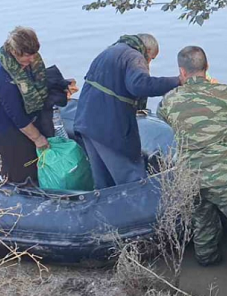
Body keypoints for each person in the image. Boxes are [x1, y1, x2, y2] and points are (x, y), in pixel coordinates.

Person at [158, 46, 227, 288]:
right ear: (207, 68)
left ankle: (207, 260)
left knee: (202, 217)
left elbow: (164, 118)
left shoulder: (170, 99)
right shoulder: (225, 93)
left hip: (188, 174)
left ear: (181, 71)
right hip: (222, 176)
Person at [75, 34, 181, 189]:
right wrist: (177, 81)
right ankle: (144, 211)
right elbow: (139, 85)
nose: (148, 64)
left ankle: (106, 212)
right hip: (109, 129)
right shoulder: (134, 56)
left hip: (86, 123)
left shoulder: (109, 52)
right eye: (150, 59)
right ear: (147, 50)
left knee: (103, 182)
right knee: (133, 179)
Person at [0, 27, 76, 186]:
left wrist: (62, 87)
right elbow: (17, 116)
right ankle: (15, 182)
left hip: (29, 115)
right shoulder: (4, 77)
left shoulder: (31, 61)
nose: (32, 59)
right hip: (5, 124)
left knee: (35, 160)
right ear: (13, 51)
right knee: (20, 169)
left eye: (34, 54)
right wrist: (38, 138)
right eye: (27, 56)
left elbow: (39, 82)